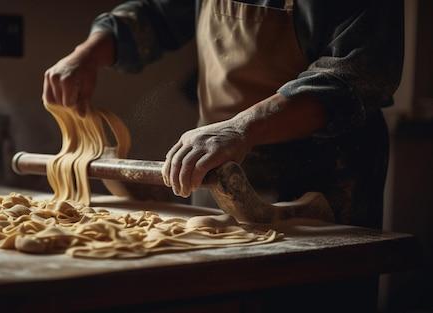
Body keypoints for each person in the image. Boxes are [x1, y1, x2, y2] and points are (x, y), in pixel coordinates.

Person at [42, 0, 403, 229]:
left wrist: (242, 129)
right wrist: (88, 54)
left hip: (322, 179)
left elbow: (358, 73)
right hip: (216, 169)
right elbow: (156, 13)